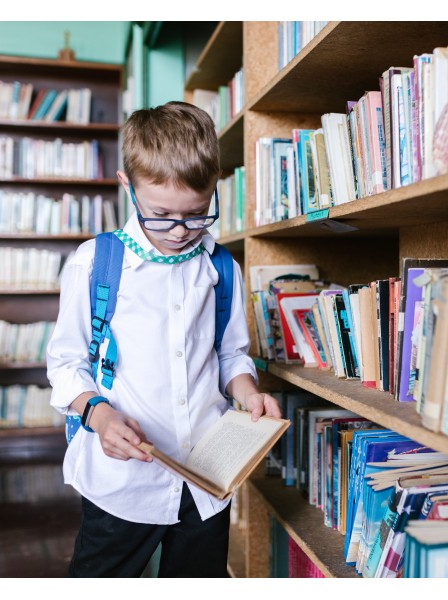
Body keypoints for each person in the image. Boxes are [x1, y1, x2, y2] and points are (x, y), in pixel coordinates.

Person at [46, 100, 282, 578]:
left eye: (196, 215)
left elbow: (231, 354)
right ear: (127, 186)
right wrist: (99, 413)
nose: (179, 231)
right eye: (162, 215)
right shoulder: (95, 263)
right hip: (123, 481)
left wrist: (248, 392)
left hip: (205, 480)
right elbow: (66, 364)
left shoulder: (220, 268)